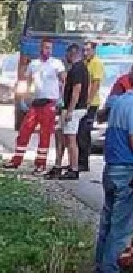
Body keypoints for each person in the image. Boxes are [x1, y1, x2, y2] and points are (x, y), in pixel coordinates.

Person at [4, 39, 67, 174]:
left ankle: (40, 164)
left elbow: (64, 80)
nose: (47, 50)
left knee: (45, 135)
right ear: (41, 49)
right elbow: (26, 81)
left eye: (49, 48)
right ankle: (16, 160)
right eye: (45, 48)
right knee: (24, 131)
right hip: (36, 102)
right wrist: (22, 98)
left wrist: (61, 99)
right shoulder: (34, 64)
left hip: (49, 103)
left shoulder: (57, 64)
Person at [92, 91, 133, 273]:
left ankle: (100, 271)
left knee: (107, 224)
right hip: (126, 170)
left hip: (110, 167)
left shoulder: (119, 101)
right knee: (121, 226)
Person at [47, 44, 87, 180]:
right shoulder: (79, 68)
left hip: (74, 109)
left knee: (70, 139)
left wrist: (70, 110)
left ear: (72, 54)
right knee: (60, 135)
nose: (66, 57)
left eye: (67, 54)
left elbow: (77, 90)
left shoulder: (77, 69)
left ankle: (73, 169)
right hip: (69, 108)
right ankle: (58, 166)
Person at [78, 41, 104, 171]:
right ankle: (79, 161)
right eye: (84, 50)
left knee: (84, 132)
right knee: (79, 133)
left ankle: (83, 163)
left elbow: (95, 84)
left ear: (94, 50)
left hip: (91, 104)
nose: (85, 53)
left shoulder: (96, 63)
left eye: (88, 50)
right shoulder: (85, 63)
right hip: (82, 102)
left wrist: (88, 101)